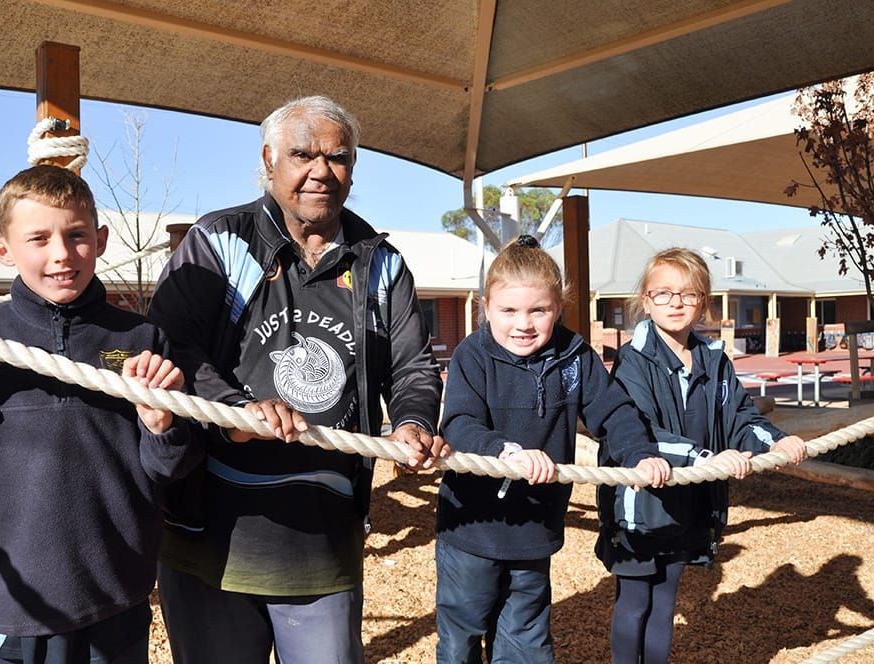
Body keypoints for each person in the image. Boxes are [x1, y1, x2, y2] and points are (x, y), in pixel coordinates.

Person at [147, 95, 447, 663]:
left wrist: (412, 423)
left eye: (338, 157)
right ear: (269, 159)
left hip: (324, 533)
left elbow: (412, 366)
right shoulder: (220, 241)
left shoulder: (381, 264)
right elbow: (171, 342)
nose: (321, 171)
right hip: (211, 530)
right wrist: (234, 411)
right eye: (303, 155)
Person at [0, 165, 203, 664]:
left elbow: (172, 469)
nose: (62, 254)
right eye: (39, 238)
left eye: (77, 235)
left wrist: (162, 426)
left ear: (101, 239)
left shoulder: (140, 339)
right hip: (10, 600)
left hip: (115, 592)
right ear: (1, 249)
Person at [435, 235, 671, 663]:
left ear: (559, 308)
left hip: (535, 527)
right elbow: (460, 423)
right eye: (508, 311)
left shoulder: (574, 356)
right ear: (486, 308)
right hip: (472, 528)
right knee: (462, 635)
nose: (523, 324)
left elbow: (613, 411)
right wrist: (504, 451)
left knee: (525, 638)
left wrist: (639, 453)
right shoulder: (473, 355)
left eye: (538, 310)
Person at [596, 247, 808, 664]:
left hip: (688, 503)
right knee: (635, 600)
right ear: (645, 301)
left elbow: (740, 417)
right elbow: (639, 431)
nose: (675, 302)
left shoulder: (714, 359)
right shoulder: (632, 361)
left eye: (689, 293)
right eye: (663, 293)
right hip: (637, 504)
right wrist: (704, 458)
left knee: (664, 602)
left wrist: (776, 441)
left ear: (703, 302)